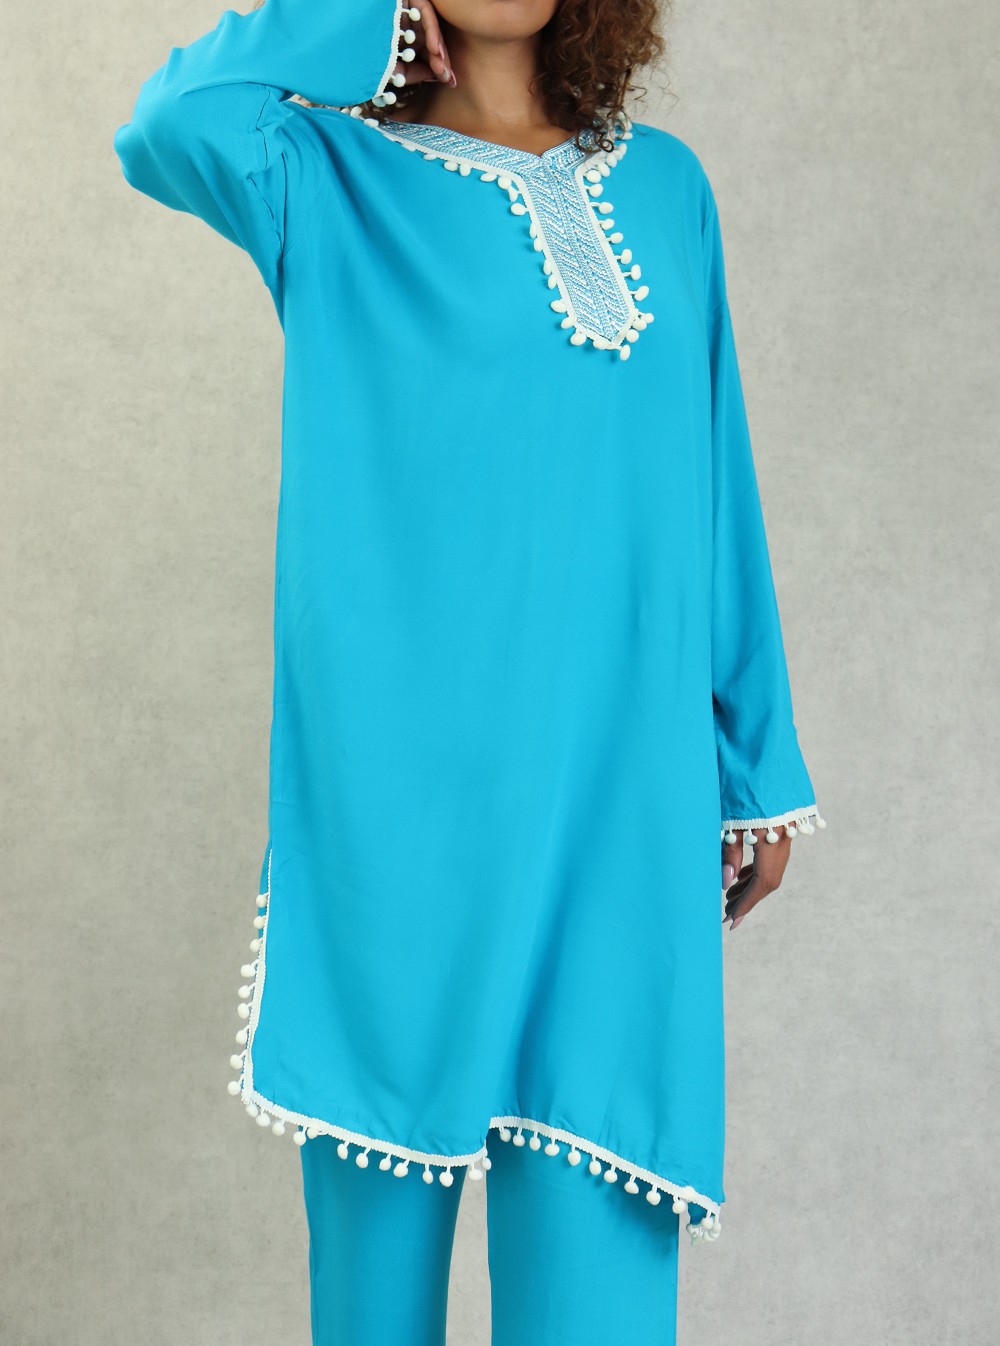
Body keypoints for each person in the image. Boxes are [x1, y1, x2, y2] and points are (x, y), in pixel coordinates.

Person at [112, 0, 826, 1340]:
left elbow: (712, 474)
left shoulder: (665, 189)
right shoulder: (322, 179)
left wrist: (755, 759)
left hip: (619, 809)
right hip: (401, 826)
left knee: (600, 1285)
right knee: (376, 1306)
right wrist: (364, 17)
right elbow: (163, 124)